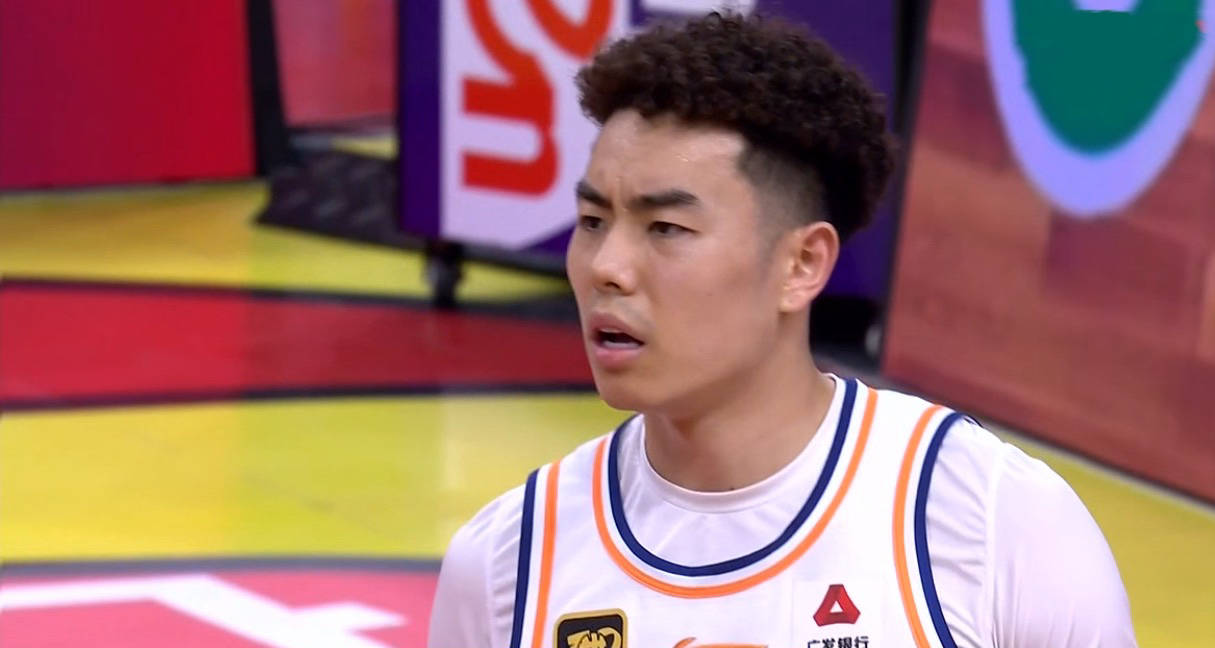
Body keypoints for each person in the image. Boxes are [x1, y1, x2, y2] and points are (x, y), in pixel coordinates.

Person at [428, 12, 1136, 648]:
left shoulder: (988, 523)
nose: (606, 267)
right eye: (592, 221)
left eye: (665, 228)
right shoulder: (506, 564)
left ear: (802, 264)